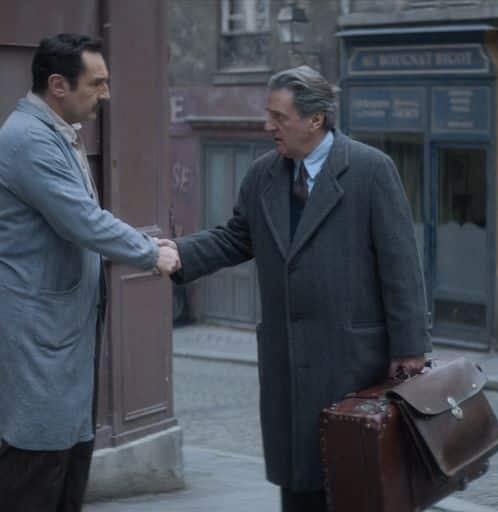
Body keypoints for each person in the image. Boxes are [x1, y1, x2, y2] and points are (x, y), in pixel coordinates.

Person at [162, 65, 431, 512]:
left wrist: (410, 347)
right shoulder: (262, 176)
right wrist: (179, 253)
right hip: (286, 360)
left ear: (315, 119)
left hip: (354, 360)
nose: (269, 126)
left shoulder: (370, 170)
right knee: (300, 481)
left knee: (356, 481)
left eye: (278, 117)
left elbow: (401, 264)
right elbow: (236, 237)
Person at [0, 34, 179, 511]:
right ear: (59, 85)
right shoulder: (28, 139)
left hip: (63, 341)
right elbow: (82, 220)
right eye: (97, 83)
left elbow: (83, 218)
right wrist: (150, 253)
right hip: (38, 340)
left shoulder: (58, 132)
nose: (107, 93)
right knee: (36, 468)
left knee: (67, 463)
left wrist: (143, 243)